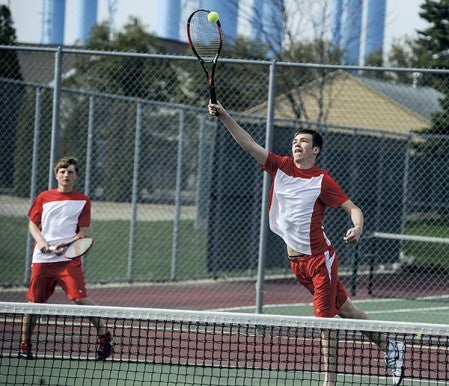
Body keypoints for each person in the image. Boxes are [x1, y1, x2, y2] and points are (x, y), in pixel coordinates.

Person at [208, 101, 405, 386]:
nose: (297, 144)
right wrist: (225, 116)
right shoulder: (281, 166)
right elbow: (249, 144)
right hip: (297, 263)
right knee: (347, 310)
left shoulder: (322, 180)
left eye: (304, 141)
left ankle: (329, 383)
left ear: (316, 150)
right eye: (295, 140)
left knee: (324, 323)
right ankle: (391, 346)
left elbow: (353, 208)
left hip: (319, 261)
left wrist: (358, 226)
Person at [19, 156, 113, 361]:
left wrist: (69, 246)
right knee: (34, 303)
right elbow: (33, 224)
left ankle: (105, 337)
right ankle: (25, 344)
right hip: (42, 259)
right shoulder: (43, 197)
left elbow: (83, 232)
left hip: (68, 260)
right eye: (62, 171)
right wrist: (42, 242)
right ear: (56, 175)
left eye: (70, 172)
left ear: (76, 176)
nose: (65, 175)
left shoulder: (83, 201)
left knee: (79, 298)